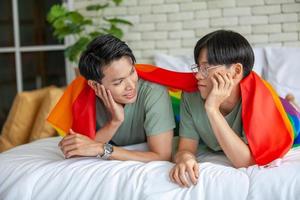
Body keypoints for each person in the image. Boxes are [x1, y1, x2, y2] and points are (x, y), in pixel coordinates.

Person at [169, 30, 298, 187]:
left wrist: (212, 108)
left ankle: (291, 101)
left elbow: (245, 161)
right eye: (198, 68)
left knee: (292, 112)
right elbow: (186, 148)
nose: (198, 76)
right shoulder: (190, 96)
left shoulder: (257, 101)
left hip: (284, 116)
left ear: (236, 71)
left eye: (206, 68)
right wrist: (185, 158)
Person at [59, 34, 175, 162]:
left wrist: (103, 149)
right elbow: (77, 152)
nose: (131, 85)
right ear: (95, 85)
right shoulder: (83, 97)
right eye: (118, 82)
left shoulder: (153, 92)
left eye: (132, 72)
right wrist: (115, 121)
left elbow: (162, 156)